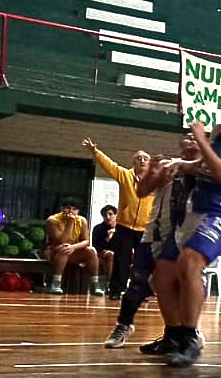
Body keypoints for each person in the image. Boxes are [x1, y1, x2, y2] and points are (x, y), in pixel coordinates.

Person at [150, 92, 221, 366]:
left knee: (190, 263)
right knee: (162, 275)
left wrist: (201, 140)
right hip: (196, 206)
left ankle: (191, 338)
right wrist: (182, 165)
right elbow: (204, 165)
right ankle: (174, 334)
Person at [104, 132, 197, 351]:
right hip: (154, 234)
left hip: (183, 236)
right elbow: (141, 190)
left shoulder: (206, 167)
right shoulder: (167, 165)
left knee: (177, 287)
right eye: (188, 136)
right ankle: (123, 325)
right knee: (136, 284)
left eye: (197, 137)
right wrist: (153, 173)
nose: (191, 138)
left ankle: (180, 334)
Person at [82, 138, 155, 299]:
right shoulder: (124, 175)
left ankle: (143, 291)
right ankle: (115, 289)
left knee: (143, 262)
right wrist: (95, 152)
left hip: (146, 228)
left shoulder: (155, 181)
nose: (142, 160)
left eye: (145, 158)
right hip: (125, 226)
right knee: (121, 260)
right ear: (133, 162)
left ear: (149, 163)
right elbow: (109, 165)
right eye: (138, 158)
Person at [44, 201, 102, 295]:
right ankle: (56, 283)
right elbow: (62, 241)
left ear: (78, 211)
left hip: (73, 250)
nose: (70, 211)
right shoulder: (52, 220)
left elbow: (86, 241)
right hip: (54, 251)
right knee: (64, 248)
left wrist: (74, 247)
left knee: (91, 250)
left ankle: (95, 284)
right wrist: (70, 222)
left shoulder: (82, 220)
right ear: (62, 208)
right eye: (68, 208)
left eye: (74, 209)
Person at [92, 205, 118, 285]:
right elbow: (96, 246)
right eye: (105, 215)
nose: (108, 217)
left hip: (119, 252)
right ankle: (109, 284)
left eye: (110, 214)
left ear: (116, 215)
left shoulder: (121, 229)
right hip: (102, 252)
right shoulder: (98, 228)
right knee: (111, 255)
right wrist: (108, 238)